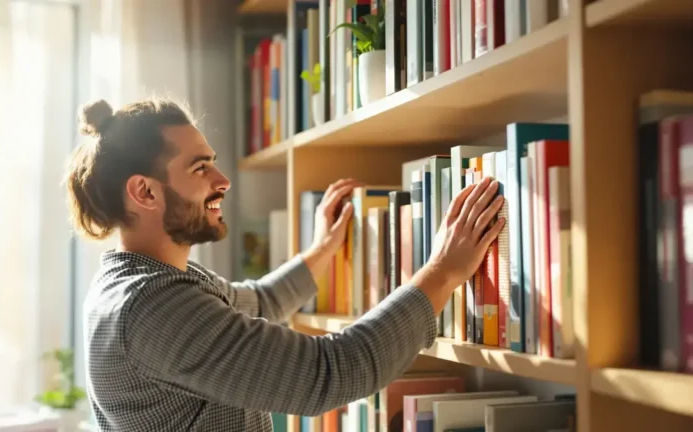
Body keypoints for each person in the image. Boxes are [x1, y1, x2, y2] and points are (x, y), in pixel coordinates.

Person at [65, 97, 504, 432]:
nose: (223, 181)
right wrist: (444, 269)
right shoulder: (152, 306)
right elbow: (331, 372)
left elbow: (257, 303)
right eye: (200, 169)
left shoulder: (151, 281)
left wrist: (321, 250)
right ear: (144, 192)